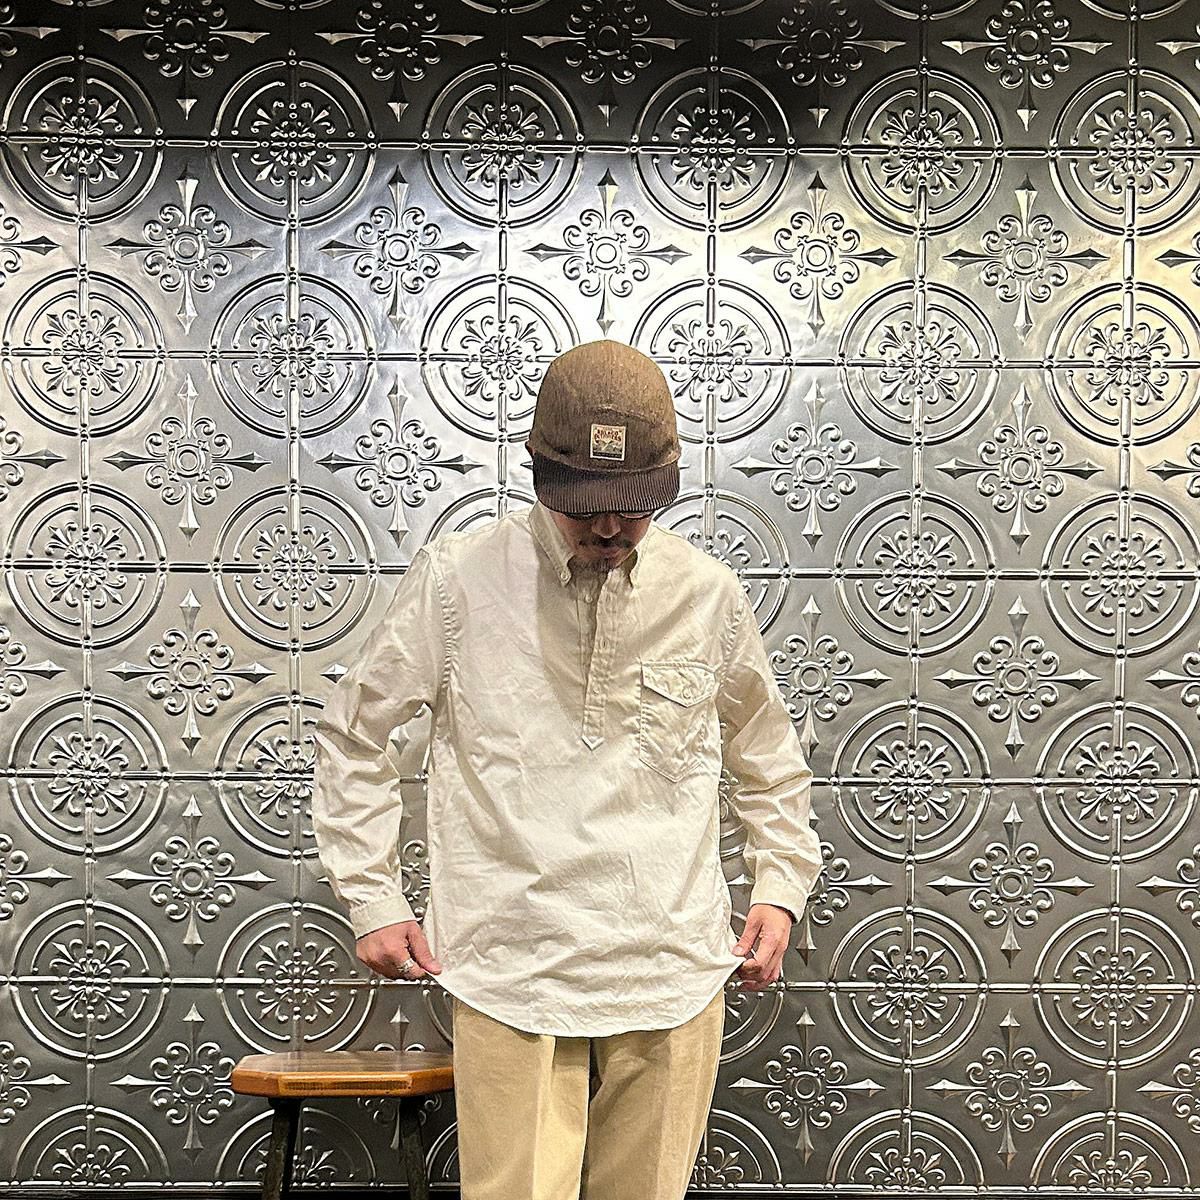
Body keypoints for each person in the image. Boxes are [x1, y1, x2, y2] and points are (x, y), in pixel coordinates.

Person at [310, 338, 823, 1200]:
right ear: (540, 474)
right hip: (512, 957)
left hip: (669, 960)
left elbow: (768, 757)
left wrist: (780, 884)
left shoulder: (707, 593)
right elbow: (357, 734)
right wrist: (372, 896)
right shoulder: (460, 580)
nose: (609, 529)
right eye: (584, 506)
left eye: (633, 506)